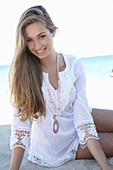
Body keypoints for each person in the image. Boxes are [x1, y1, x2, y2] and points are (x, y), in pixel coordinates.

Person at [9, 5, 113, 170]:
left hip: (74, 119)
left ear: (53, 32)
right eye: (29, 39)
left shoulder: (73, 65)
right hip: (56, 147)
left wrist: (105, 166)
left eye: (41, 36)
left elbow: (82, 119)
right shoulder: (23, 73)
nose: (36, 45)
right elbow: (21, 129)